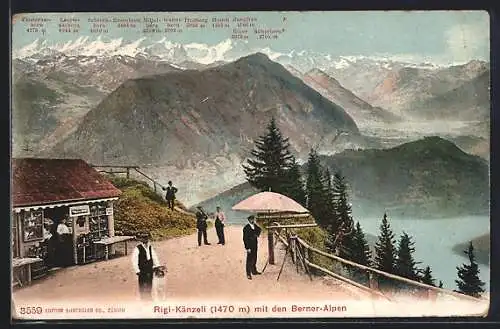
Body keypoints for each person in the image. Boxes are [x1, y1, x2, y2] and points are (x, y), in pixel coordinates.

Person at [131, 232, 161, 301]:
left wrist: (157, 265)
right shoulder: (138, 248)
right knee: (142, 283)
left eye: (147, 238)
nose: (146, 240)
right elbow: (134, 260)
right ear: (141, 239)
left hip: (150, 268)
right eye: (144, 238)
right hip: (142, 269)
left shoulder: (150, 247)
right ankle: (143, 298)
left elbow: (154, 257)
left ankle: (149, 297)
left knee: (149, 283)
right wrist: (137, 270)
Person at [243, 215, 262, 280]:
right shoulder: (246, 228)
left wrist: (257, 234)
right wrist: (247, 248)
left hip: (255, 244)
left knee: (255, 257)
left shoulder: (255, 226)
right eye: (251, 219)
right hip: (249, 245)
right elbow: (245, 239)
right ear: (248, 220)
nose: (252, 220)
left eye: (253, 219)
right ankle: (248, 273)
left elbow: (259, 229)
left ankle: (254, 271)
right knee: (249, 259)